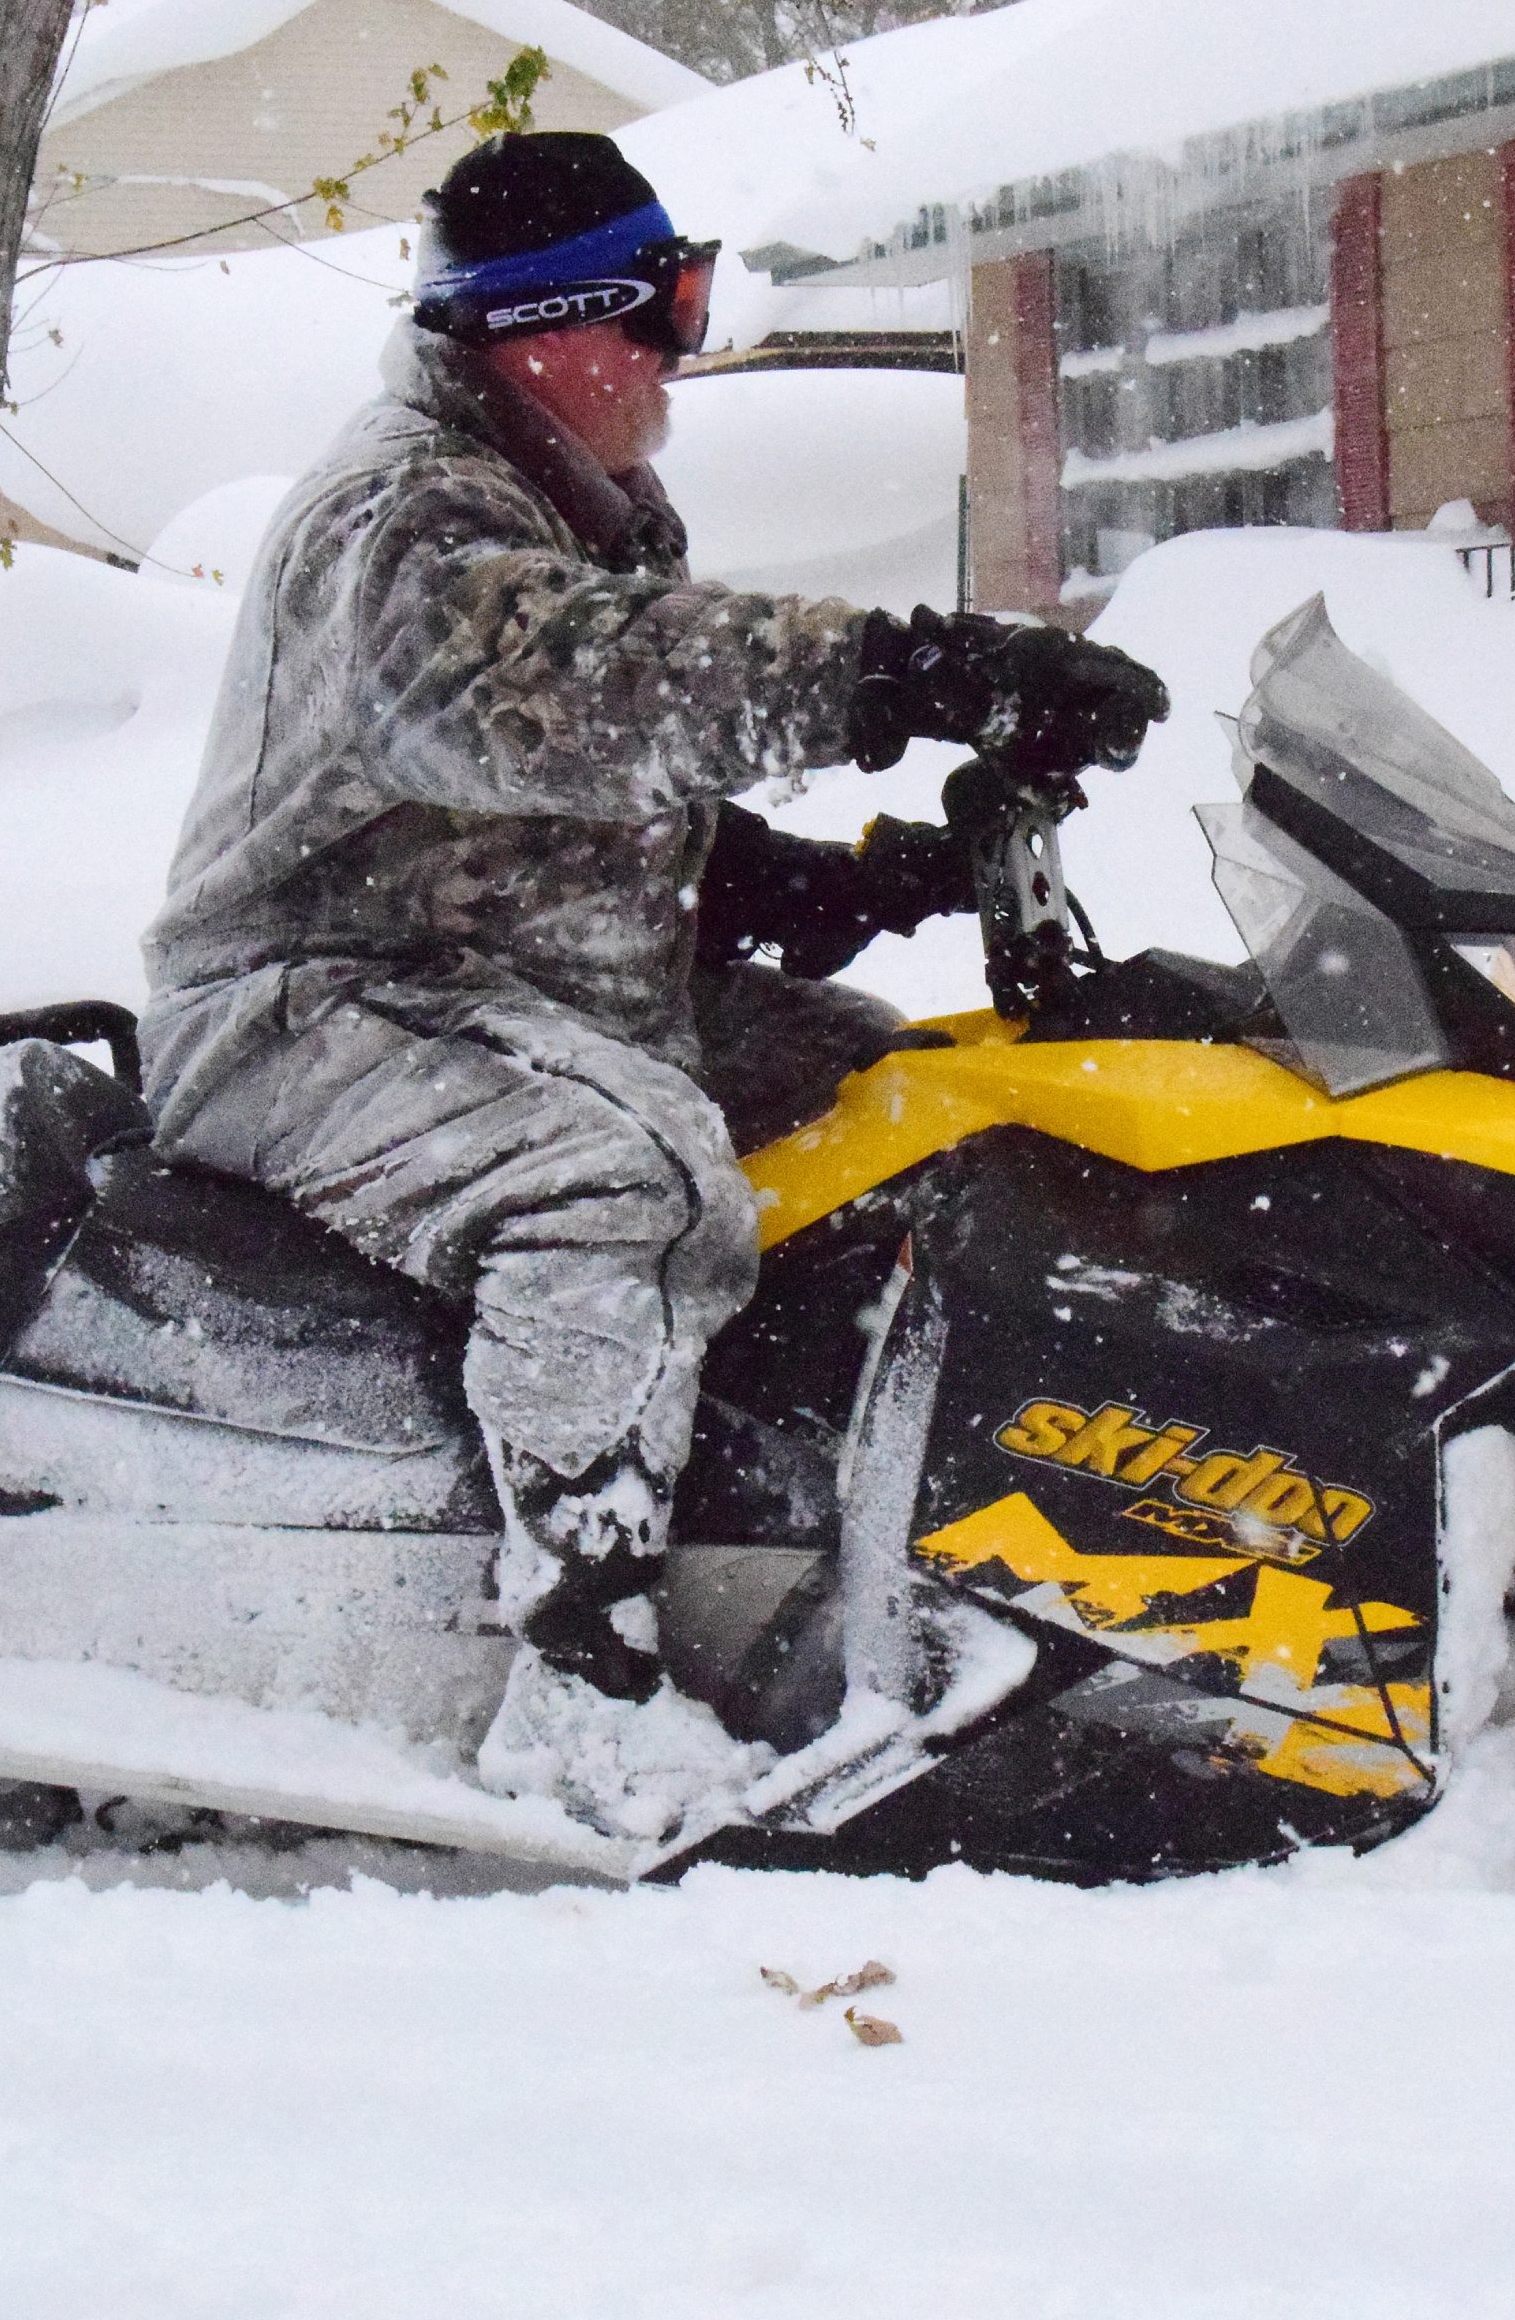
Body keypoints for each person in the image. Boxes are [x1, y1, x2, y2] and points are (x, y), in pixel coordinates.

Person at [138, 131, 1164, 1784]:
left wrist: (832, 884)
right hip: (306, 1009)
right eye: (671, 308)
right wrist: (915, 672)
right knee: (637, 1175)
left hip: (491, 977)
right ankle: (580, 1682)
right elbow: (573, 693)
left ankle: (817, 1533)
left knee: (882, 1088)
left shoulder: (578, 499)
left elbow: (569, 800)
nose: (686, 354)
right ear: (557, 325)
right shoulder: (404, 513)